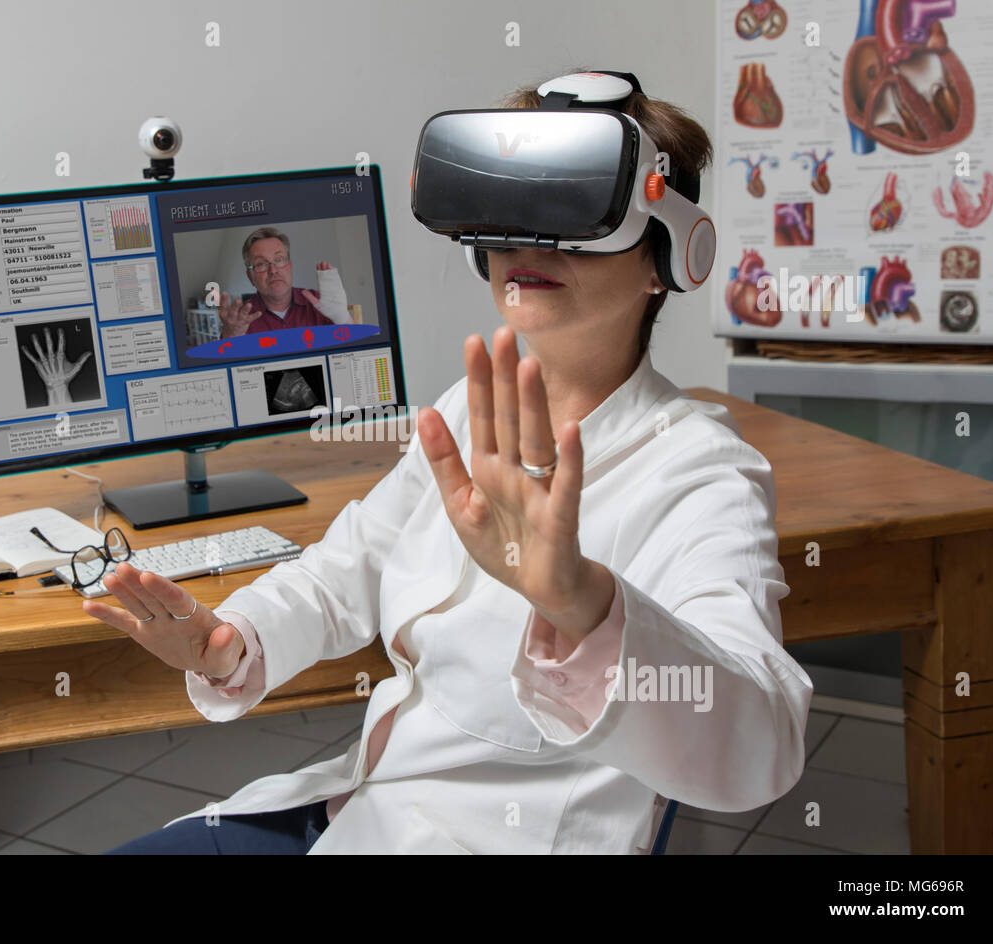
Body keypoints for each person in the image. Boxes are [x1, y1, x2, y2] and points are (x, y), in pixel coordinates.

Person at [88, 74, 813, 854]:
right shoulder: (471, 411)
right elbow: (352, 563)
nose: (523, 247)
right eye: (507, 214)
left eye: (570, 214)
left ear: (668, 258)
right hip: (360, 809)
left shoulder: (700, 472)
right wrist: (233, 639)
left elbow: (762, 742)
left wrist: (585, 605)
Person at [217, 227, 350, 338]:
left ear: (290, 266)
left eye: (279, 259)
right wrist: (231, 337)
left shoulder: (322, 303)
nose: (273, 270)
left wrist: (343, 318)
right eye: (261, 264)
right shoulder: (239, 320)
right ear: (250, 276)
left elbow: (357, 355)